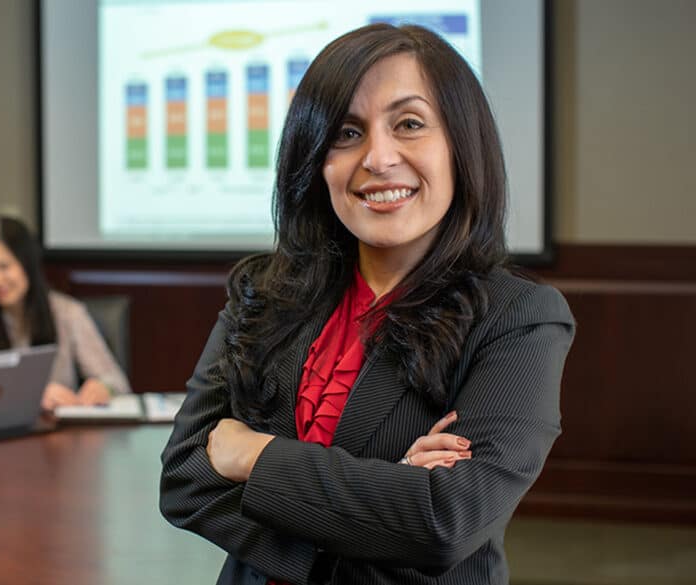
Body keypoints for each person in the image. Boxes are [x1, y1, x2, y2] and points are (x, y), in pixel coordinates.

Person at [159, 23, 575, 585]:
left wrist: (253, 455)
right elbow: (185, 478)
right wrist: (386, 491)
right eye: (346, 133)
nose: (378, 158)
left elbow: (444, 519)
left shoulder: (518, 318)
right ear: (316, 160)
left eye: (409, 124)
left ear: (460, 144)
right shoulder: (263, 292)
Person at [0, 215, 131, 410]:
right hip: (0, 432)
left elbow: (117, 381)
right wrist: (32, 396)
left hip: (61, 433)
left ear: (27, 265)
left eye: (4, 267)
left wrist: (103, 387)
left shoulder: (67, 312)